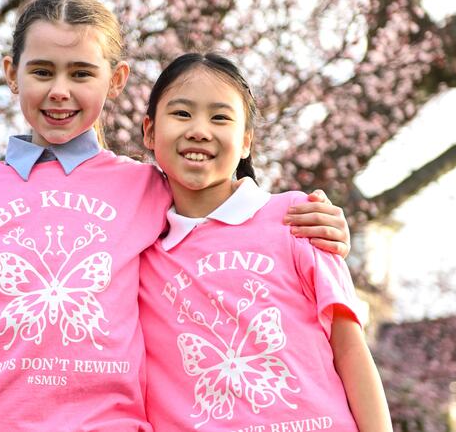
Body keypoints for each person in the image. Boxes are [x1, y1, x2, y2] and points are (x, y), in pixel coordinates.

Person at [0, 0, 351, 432]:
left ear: (116, 80)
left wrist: (322, 223)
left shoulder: (147, 186)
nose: (59, 90)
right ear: (12, 73)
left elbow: (228, 207)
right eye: (42, 71)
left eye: (81, 73)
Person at [137, 53, 392, 431]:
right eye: (182, 114)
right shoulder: (139, 247)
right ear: (150, 132)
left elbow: (350, 347)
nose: (199, 130)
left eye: (220, 117)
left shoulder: (297, 218)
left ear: (246, 142)